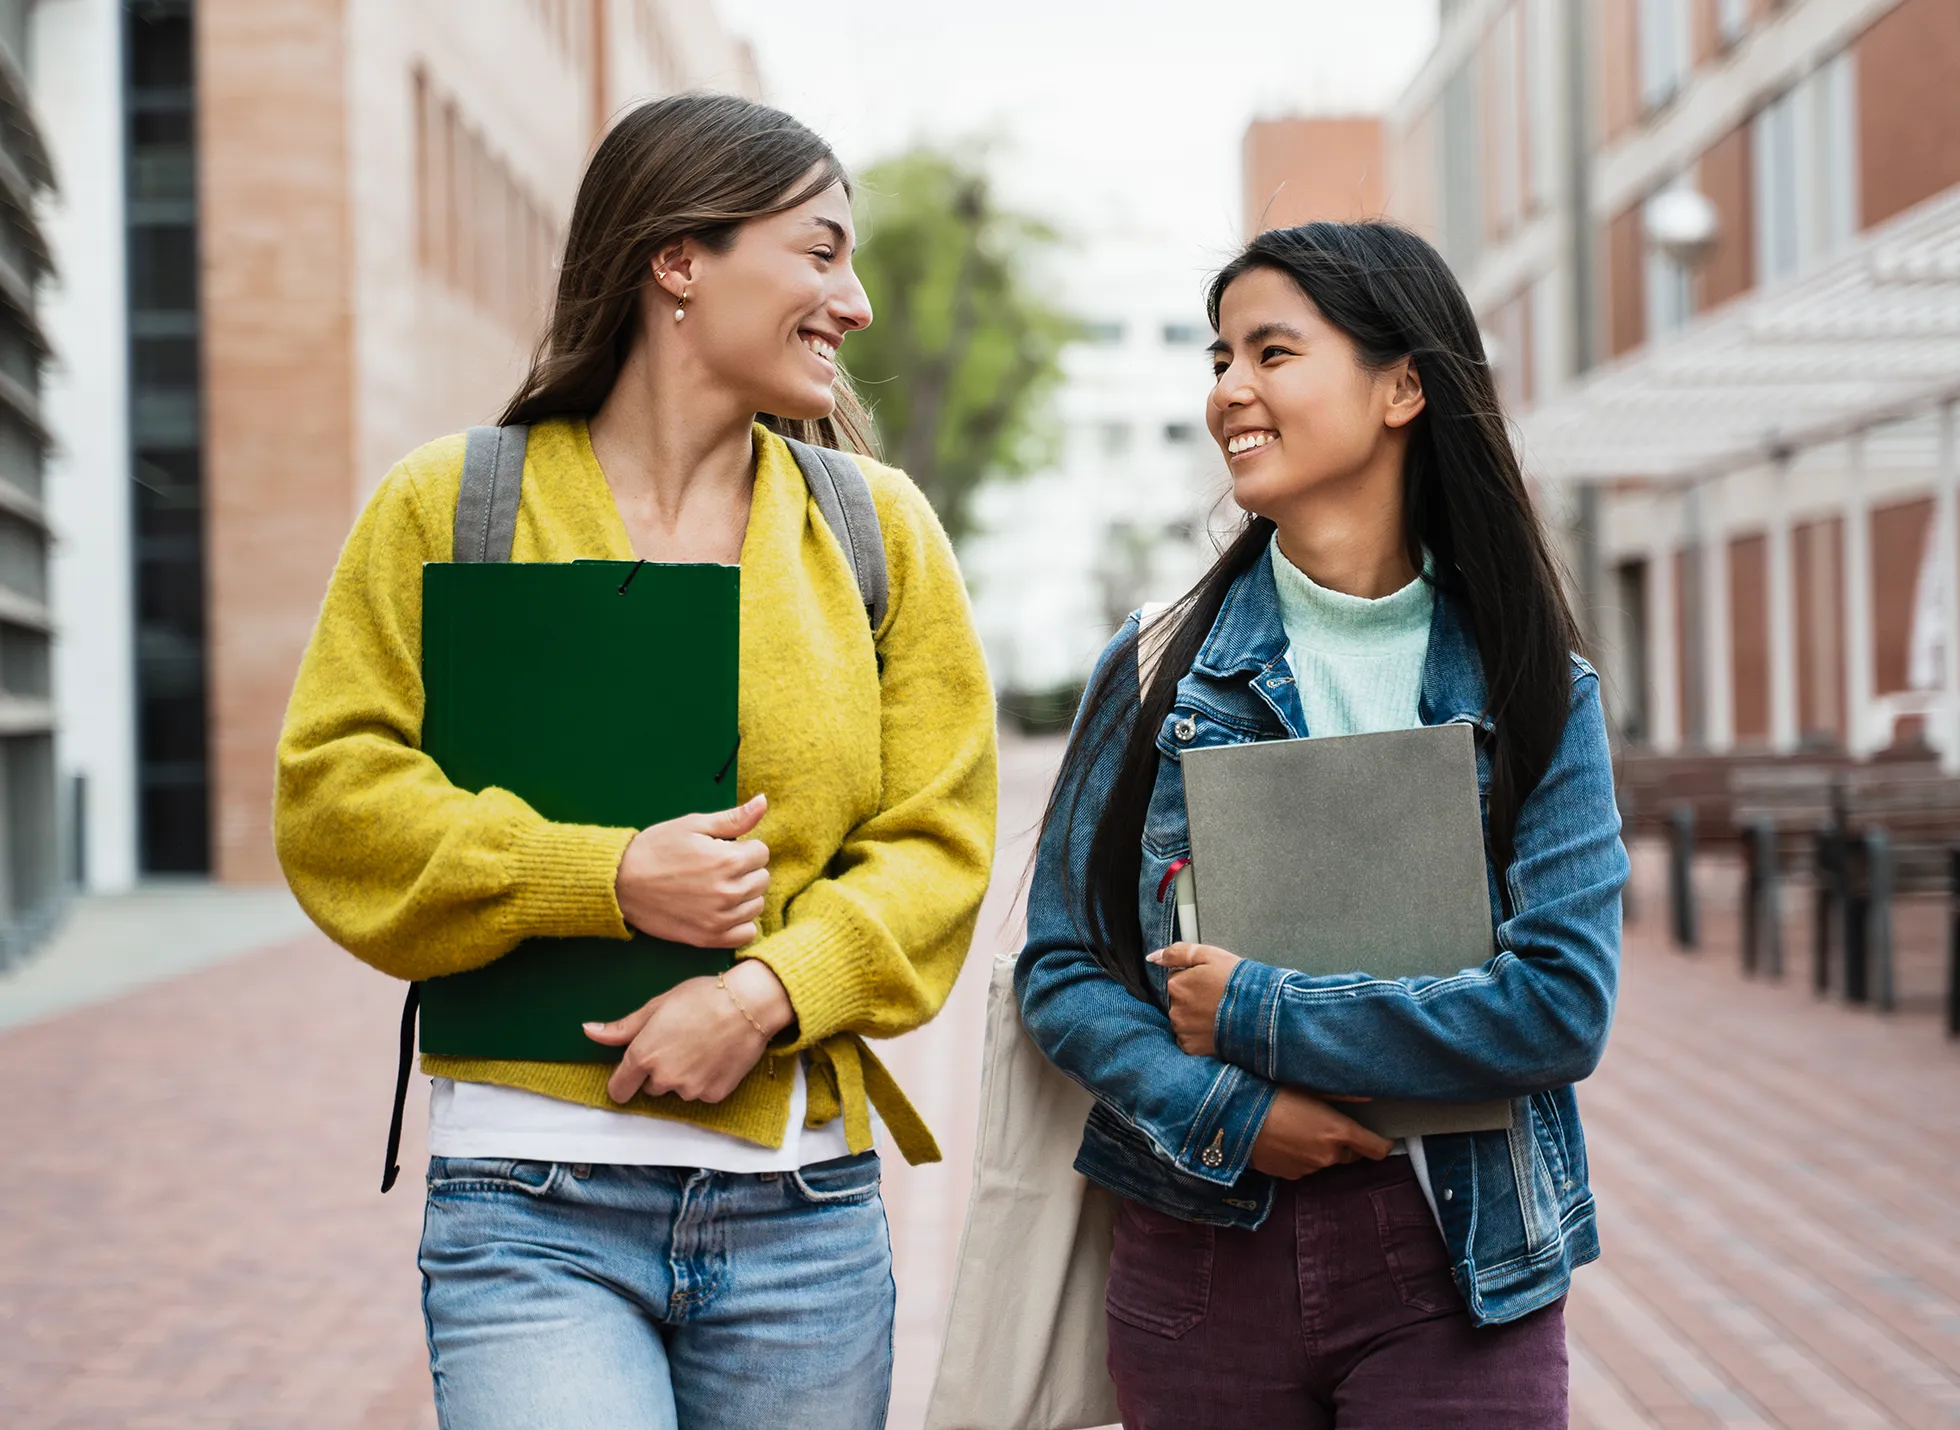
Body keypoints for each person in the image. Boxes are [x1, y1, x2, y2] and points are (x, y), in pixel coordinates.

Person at [274, 93, 997, 1429]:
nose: (857, 302)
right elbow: (332, 793)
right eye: (821, 251)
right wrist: (599, 875)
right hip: (528, 1204)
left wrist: (766, 992)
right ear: (679, 259)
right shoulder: (451, 506)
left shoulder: (874, 531)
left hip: (804, 1210)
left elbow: (940, 845)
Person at [1017, 220, 1628, 1428]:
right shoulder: (1149, 676)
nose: (1228, 389)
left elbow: (1559, 1005)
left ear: (1402, 385)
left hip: (1460, 1260)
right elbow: (1060, 969)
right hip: (1199, 1252)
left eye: (1271, 351)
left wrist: (1260, 1014)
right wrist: (1234, 1111)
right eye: (1218, 357)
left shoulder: (1532, 689)